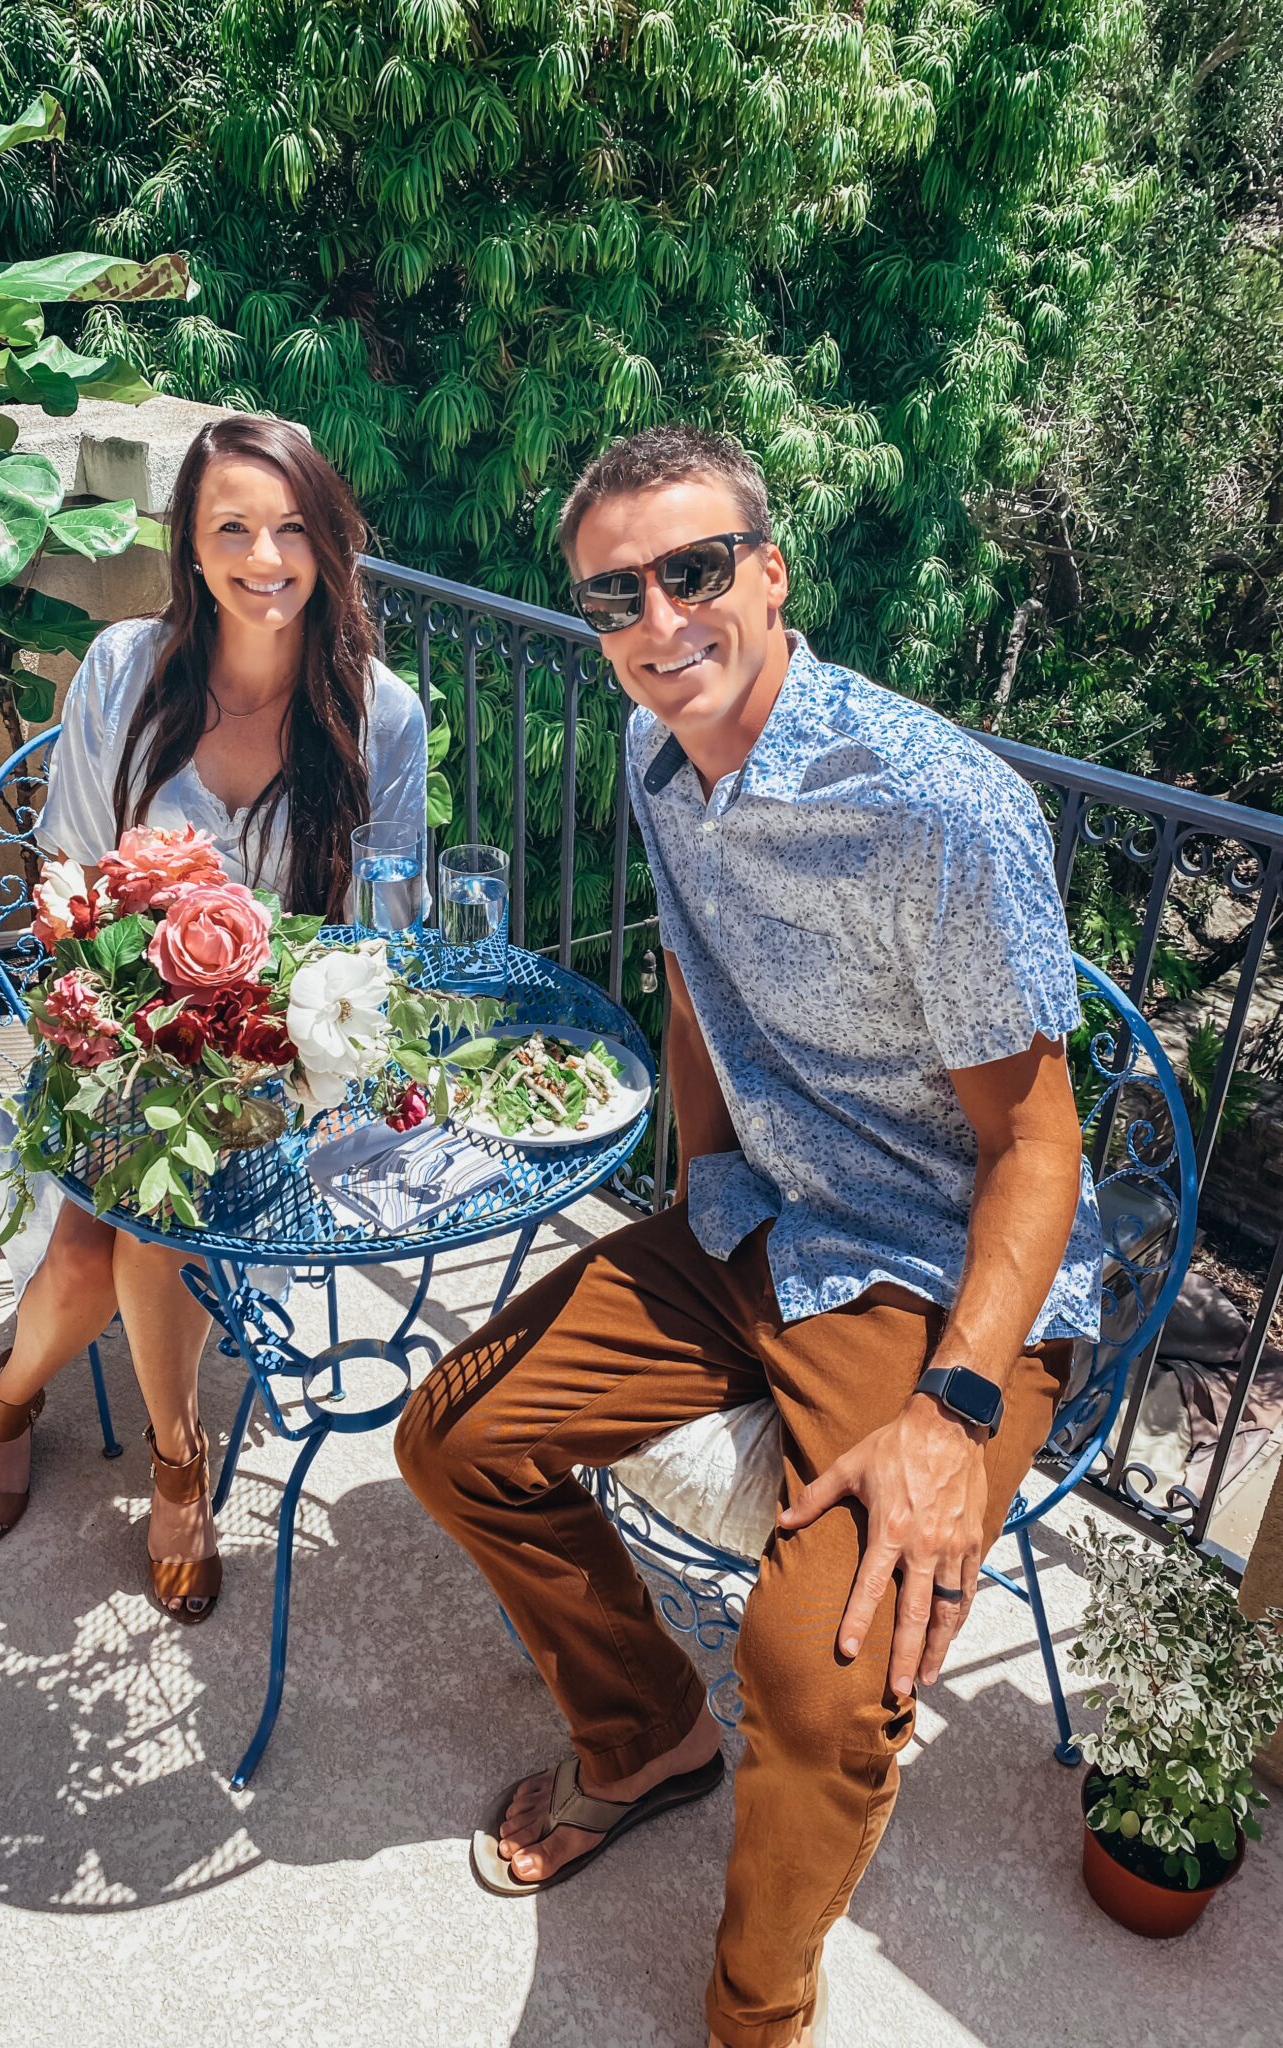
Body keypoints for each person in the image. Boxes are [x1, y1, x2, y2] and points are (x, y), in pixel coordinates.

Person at [395, 424, 1102, 2047]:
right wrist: (696, 1182)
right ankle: (643, 1729)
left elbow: (1035, 1141)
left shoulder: (939, 811)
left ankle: (755, 2006)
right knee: (452, 1434)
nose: (658, 616)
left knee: (824, 1674)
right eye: (615, 592)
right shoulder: (659, 760)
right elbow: (698, 973)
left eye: (694, 568)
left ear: (771, 574)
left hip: (930, 1270)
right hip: (752, 1219)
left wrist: (955, 1411)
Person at [0, 415, 427, 1627]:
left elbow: (382, 924)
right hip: (116, 1034)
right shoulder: (125, 669)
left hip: (275, 1065)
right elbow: (66, 877)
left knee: (120, 1232)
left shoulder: (380, 713)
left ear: (328, 540)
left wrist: (280, 1029)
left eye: (291, 527)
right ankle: (137, 1445)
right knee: (93, 1242)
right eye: (231, 528)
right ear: (193, 547)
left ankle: (41, 1411)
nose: (264, 556)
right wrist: (122, 1018)